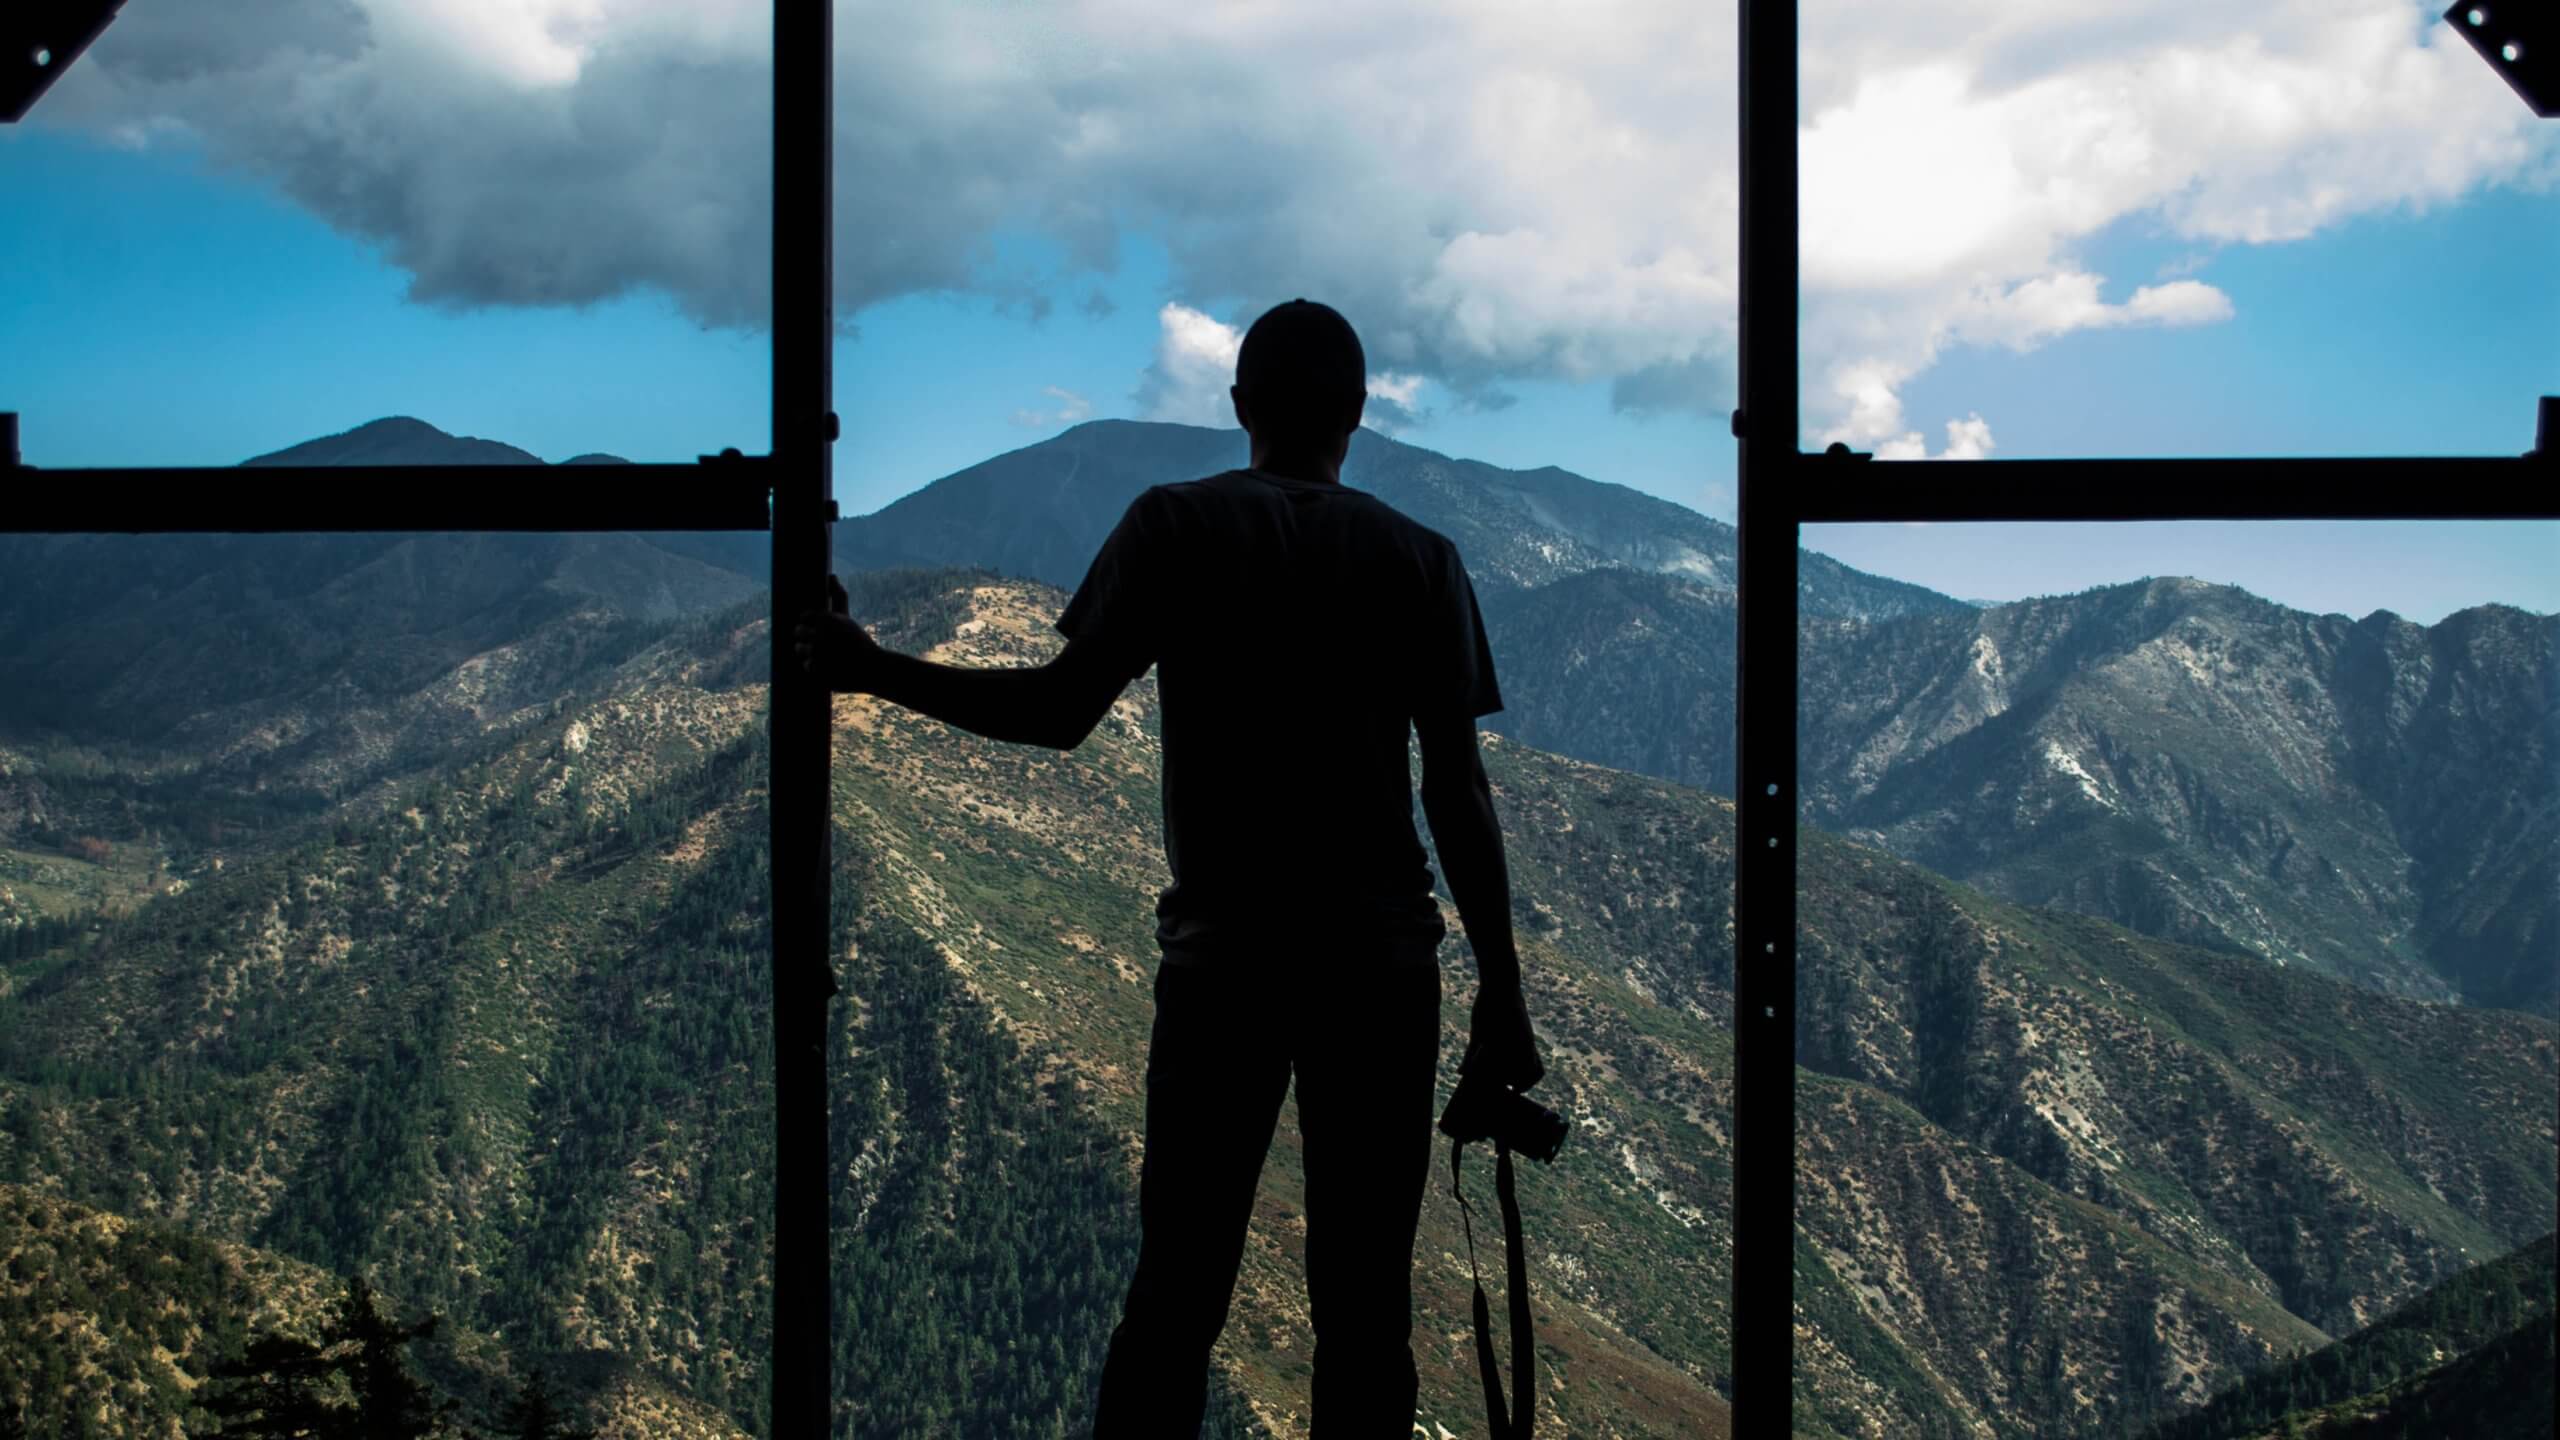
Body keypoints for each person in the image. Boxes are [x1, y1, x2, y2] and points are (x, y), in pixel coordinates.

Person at [793, 297, 1545, 1437]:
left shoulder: (1174, 527)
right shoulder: (1421, 560)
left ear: (1238, 406)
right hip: (1381, 970)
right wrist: (1504, 987)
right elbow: (1457, 791)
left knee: (1175, 1298)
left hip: (1223, 964)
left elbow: (1055, 713)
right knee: (1366, 1317)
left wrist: (874, 670)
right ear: (1358, 414)